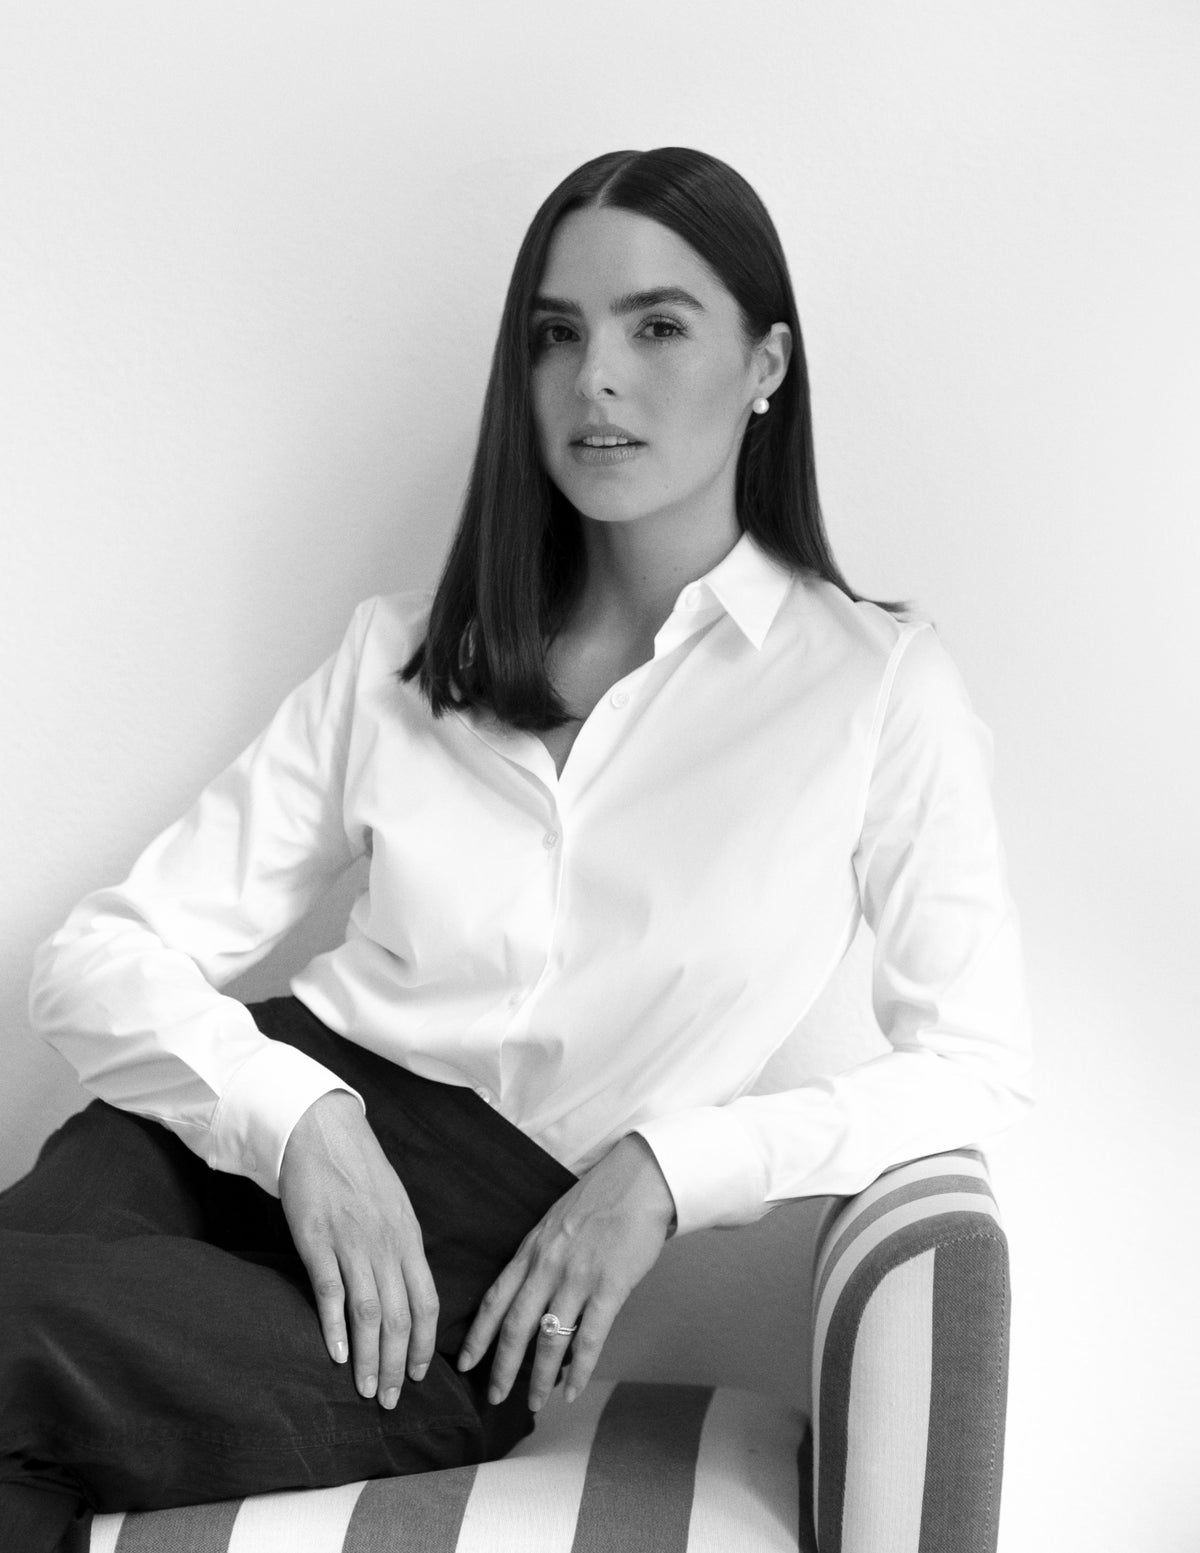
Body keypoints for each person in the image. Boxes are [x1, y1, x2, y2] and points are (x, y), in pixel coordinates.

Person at [0, 146, 1033, 1550]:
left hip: (459, 1290)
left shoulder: (874, 692)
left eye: (657, 326)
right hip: (220, 1140)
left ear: (767, 363)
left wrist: (671, 1167)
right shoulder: (404, 656)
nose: (595, 378)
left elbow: (974, 1067)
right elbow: (97, 954)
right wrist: (302, 1120)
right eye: (557, 334)